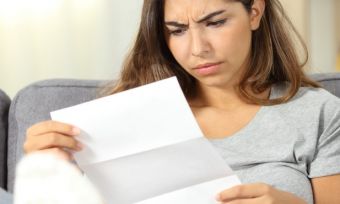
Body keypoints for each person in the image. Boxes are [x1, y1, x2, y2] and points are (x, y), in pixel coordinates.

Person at [23, 0, 340, 203]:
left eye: (215, 22)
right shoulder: (121, 116)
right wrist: (47, 170)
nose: (197, 48)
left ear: (254, 11)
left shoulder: (318, 112)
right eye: (177, 30)